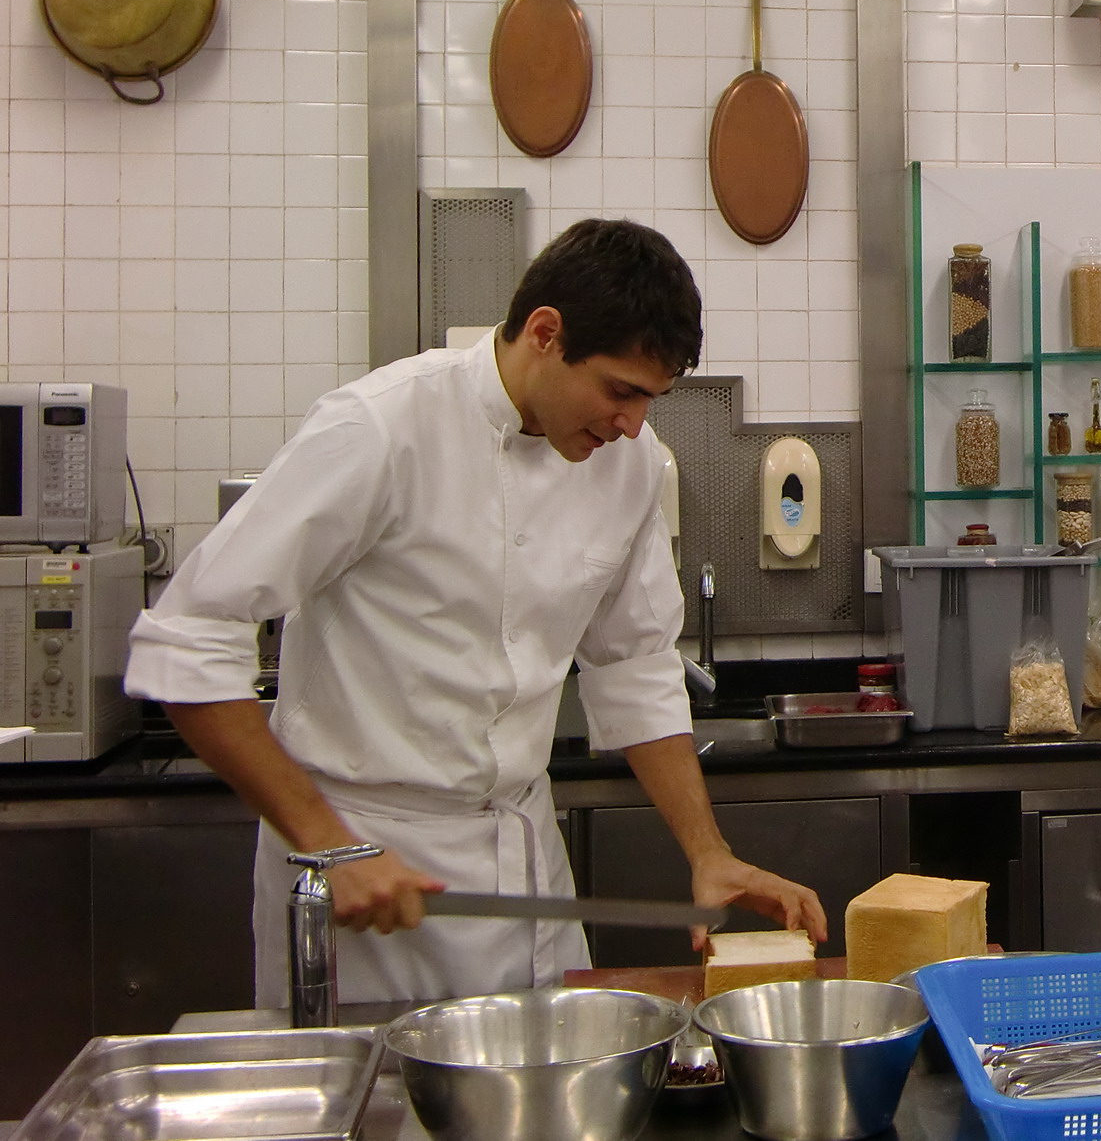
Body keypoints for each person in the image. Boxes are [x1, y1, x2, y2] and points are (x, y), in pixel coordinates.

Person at [125, 218, 826, 1007]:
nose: (633, 424)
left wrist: (708, 851)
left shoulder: (628, 463)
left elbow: (635, 664)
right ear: (546, 334)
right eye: (620, 391)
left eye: (650, 399)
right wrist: (328, 842)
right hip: (367, 868)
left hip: (524, 862)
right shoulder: (380, 428)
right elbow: (185, 641)